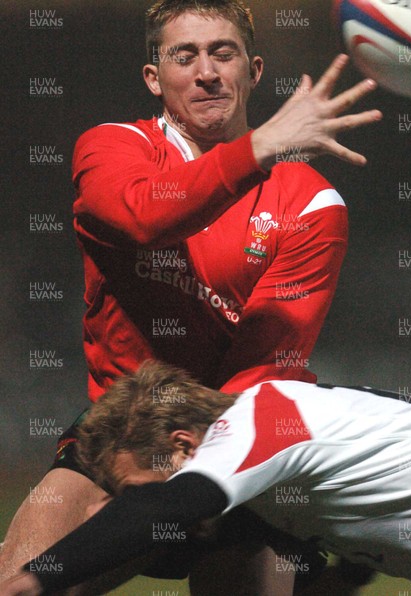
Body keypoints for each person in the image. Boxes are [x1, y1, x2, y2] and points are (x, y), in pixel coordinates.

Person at [0, 0, 382, 591]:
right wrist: (259, 148)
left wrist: (197, 467)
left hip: (232, 438)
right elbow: (141, 217)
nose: (206, 71)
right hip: (117, 441)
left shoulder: (309, 202)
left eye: (222, 53)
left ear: (252, 72)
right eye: (185, 56)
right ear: (155, 78)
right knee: (18, 583)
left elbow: (262, 366)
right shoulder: (110, 148)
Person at [2, 359, 411, 596]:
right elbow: (358, 566)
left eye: (140, 484)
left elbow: (166, 509)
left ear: (182, 445)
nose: (144, 503)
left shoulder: (265, 415)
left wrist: (32, 581)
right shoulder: (281, 475)